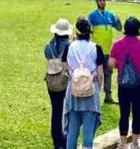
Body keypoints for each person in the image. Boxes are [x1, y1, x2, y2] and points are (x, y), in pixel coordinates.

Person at [109, 17, 140, 149]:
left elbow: (111, 63)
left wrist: (123, 67)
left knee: (124, 112)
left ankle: (122, 143)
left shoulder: (117, 44)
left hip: (123, 83)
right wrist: (139, 68)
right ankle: (135, 143)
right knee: (137, 111)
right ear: (138, 29)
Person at [62, 17, 105, 149]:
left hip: (73, 92)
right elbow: (100, 73)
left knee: (72, 132)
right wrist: (99, 89)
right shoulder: (96, 48)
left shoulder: (69, 47)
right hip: (91, 92)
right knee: (88, 134)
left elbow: (65, 68)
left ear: (77, 32)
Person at [88, 0, 122, 104]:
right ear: (96, 2)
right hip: (96, 51)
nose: (102, 2)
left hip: (108, 50)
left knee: (108, 73)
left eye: (104, 0)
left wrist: (118, 21)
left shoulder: (110, 15)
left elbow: (119, 28)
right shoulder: (92, 16)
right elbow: (87, 30)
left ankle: (108, 96)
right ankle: (93, 96)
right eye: (100, 1)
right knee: (95, 74)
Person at [44, 18, 72, 149]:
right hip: (64, 80)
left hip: (51, 81)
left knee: (56, 110)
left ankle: (56, 139)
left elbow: (48, 56)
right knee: (66, 109)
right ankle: (64, 138)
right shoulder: (69, 45)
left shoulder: (48, 45)